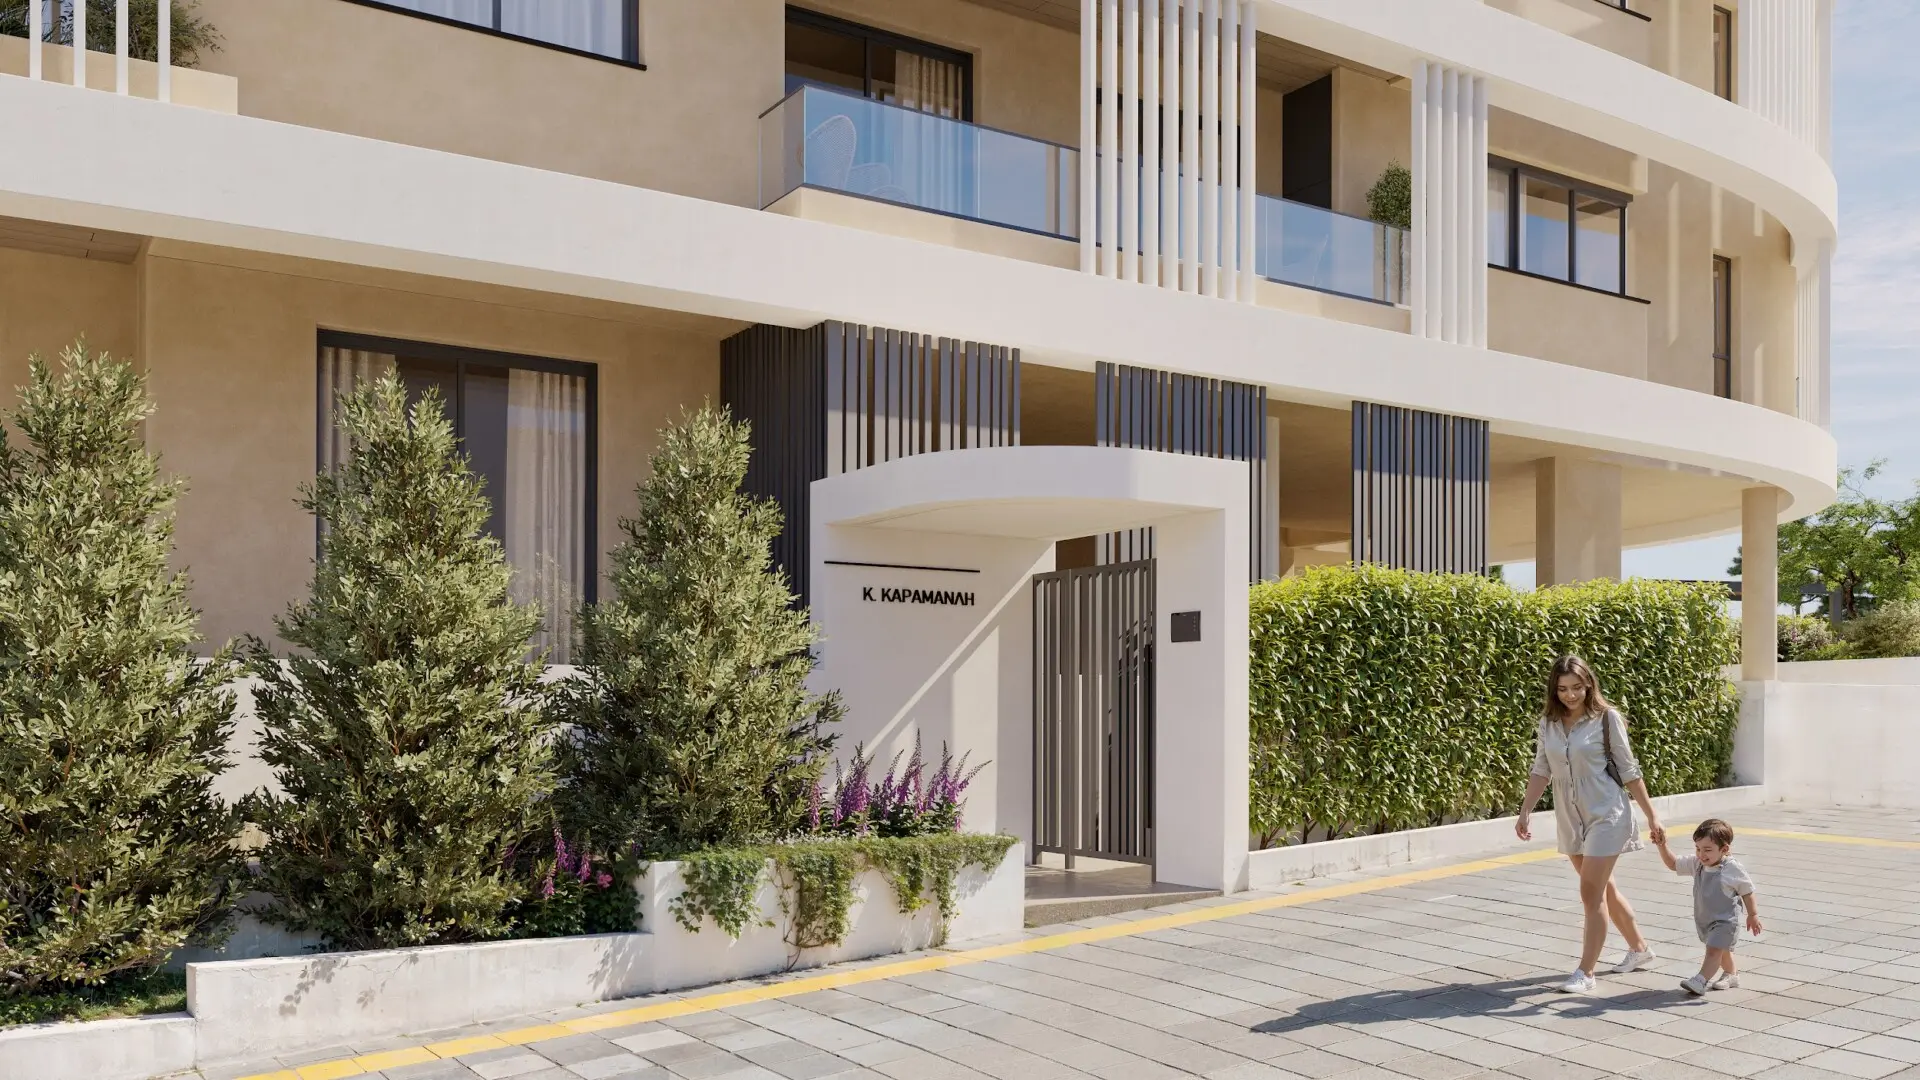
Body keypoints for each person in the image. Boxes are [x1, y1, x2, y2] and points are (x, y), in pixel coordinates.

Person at [1516, 655, 1666, 994]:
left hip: (1606, 812)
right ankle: (1640, 948)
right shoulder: (1548, 723)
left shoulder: (1606, 718)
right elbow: (1541, 769)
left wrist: (1651, 815)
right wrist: (1525, 810)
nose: (1570, 695)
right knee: (1603, 888)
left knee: (1590, 892)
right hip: (1570, 817)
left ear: (1589, 685)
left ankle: (1586, 972)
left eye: (1577, 688)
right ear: (1554, 690)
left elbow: (1629, 769)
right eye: (1563, 689)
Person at [1654, 818, 1762, 995]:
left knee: (1713, 950)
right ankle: (1731, 975)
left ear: (1724, 849)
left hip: (1726, 921)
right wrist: (1662, 845)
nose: (1701, 854)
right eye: (1698, 848)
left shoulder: (1731, 868)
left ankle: (1700, 980)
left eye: (1707, 850)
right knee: (1722, 951)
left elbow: (1747, 891)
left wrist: (1753, 914)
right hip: (1706, 919)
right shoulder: (1698, 864)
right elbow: (1673, 864)